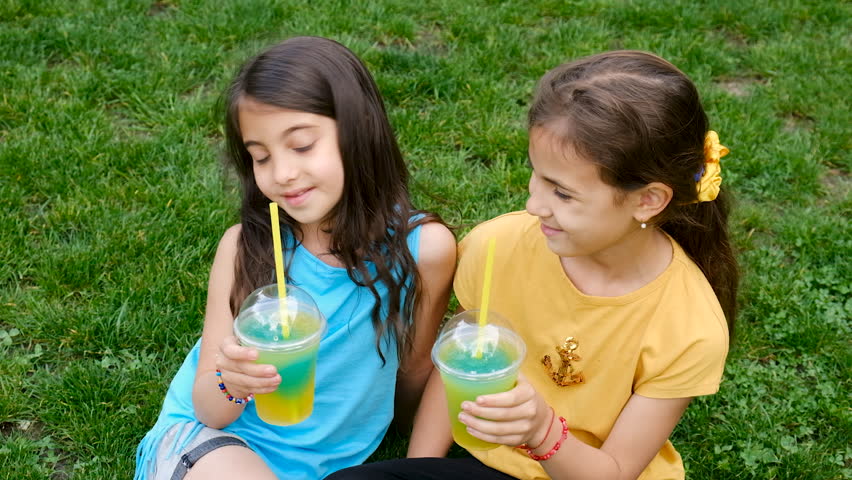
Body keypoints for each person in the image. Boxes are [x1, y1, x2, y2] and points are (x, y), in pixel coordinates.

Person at [327, 50, 738, 480]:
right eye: (536, 175)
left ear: (648, 200)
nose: (533, 205)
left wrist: (541, 431)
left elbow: (614, 472)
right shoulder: (497, 248)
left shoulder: (690, 326)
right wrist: (418, 470)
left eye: (562, 193)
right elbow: (458, 369)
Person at [134, 36, 456, 480]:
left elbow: (415, 366)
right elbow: (208, 408)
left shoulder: (425, 250)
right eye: (261, 157)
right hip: (216, 444)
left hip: (328, 465)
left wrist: (411, 452)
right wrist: (232, 382)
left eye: (302, 145)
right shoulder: (245, 248)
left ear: (360, 131)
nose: (282, 174)